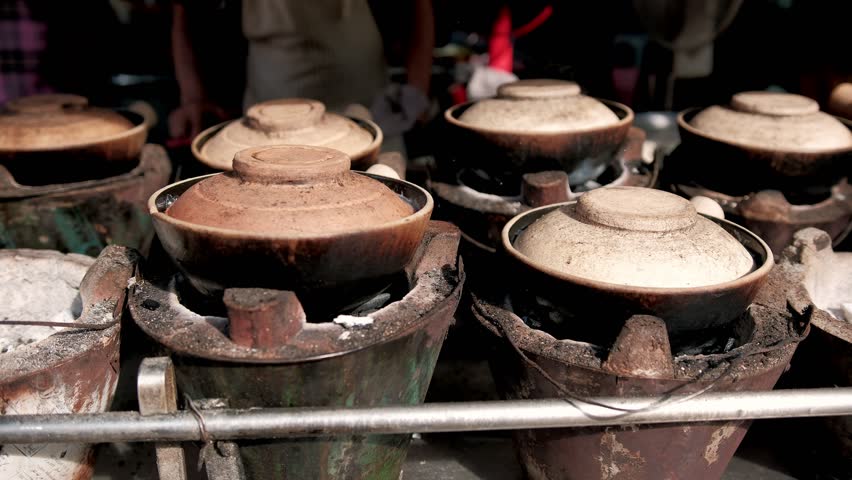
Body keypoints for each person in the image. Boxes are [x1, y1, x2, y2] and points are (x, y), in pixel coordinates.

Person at [168, 0, 434, 148]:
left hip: (370, 118)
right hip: (269, 129)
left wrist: (417, 89)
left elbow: (418, 6)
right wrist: (192, 96)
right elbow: (185, 12)